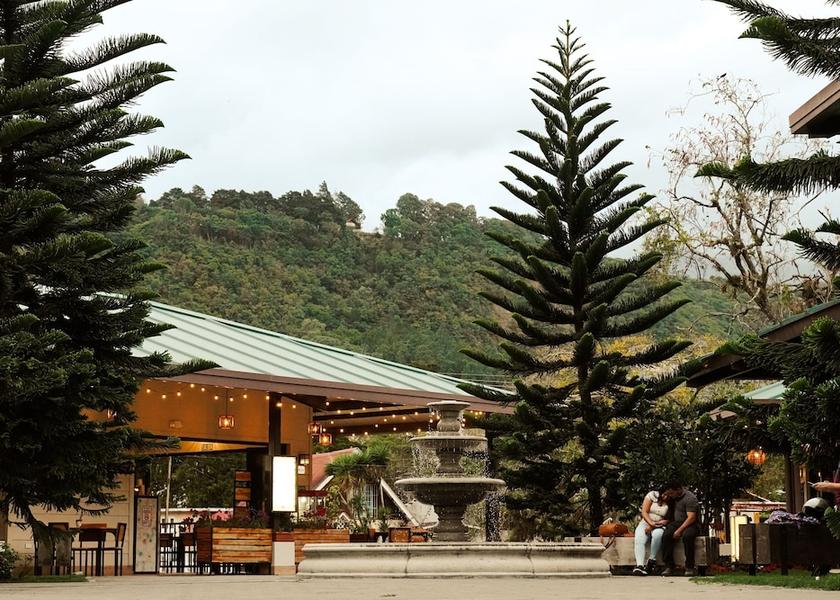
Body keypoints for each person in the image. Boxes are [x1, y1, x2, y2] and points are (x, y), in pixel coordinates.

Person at [659, 480, 700, 577]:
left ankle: (689, 566)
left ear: (678, 490)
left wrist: (679, 530)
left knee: (687, 536)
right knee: (666, 535)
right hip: (676, 523)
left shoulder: (690, 498)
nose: (671, 495)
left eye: (672, 493)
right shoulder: (673, 498)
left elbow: (691, 518)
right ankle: (669, 565)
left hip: (691, 524)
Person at [632, 487, 670, 576]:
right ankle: (640, 565)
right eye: (664, 494)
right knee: (639, 538)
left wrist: (656, 524)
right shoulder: (652, 495)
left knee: (657, 535)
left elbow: (669, 519)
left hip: (660, 525)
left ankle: (651, 561)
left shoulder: (671, 502)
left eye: (668, 495)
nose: (666, 497)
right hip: (646, 522)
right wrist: (651, 523)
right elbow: (644, 512)